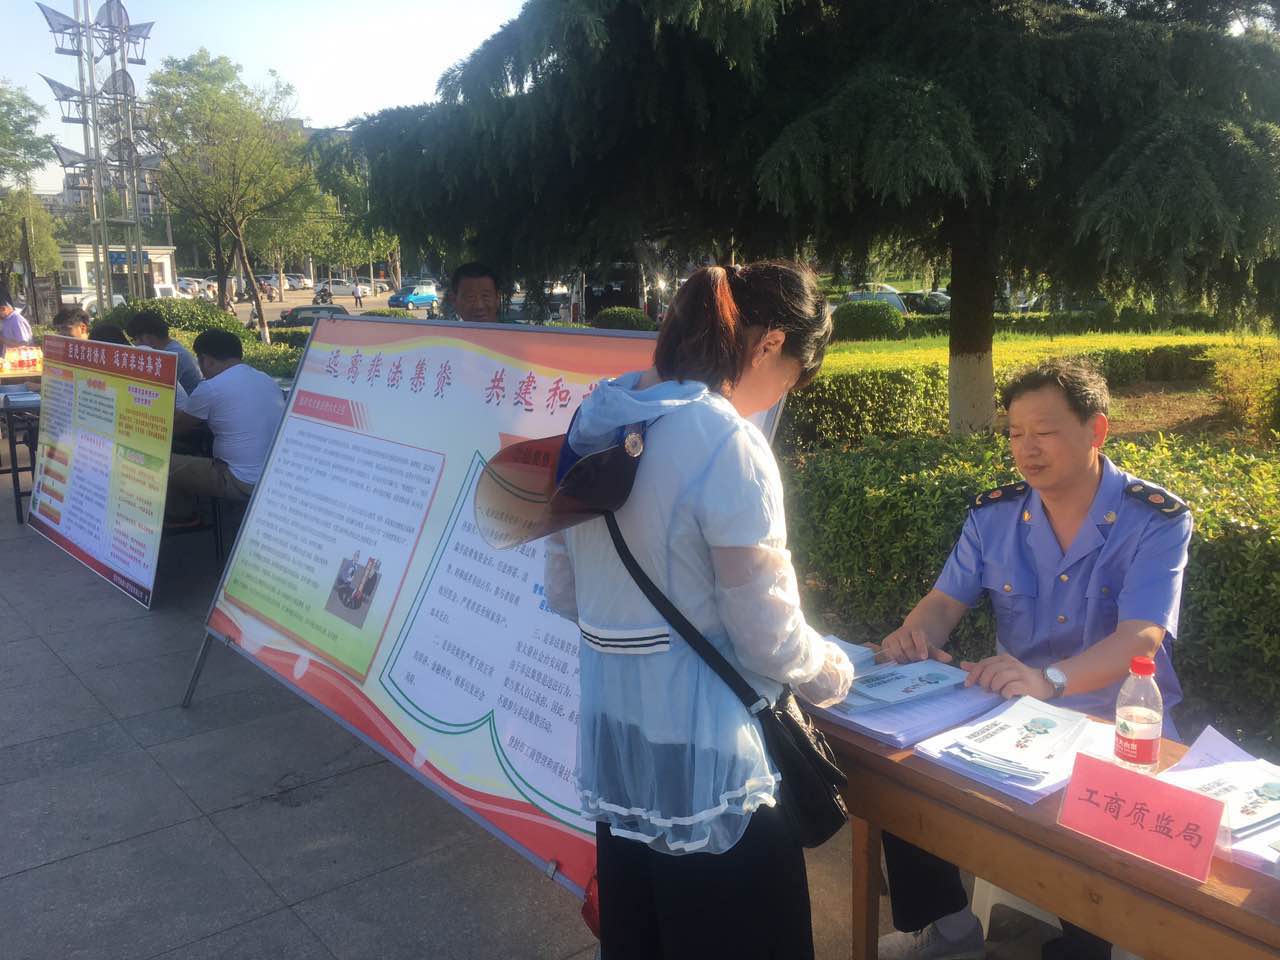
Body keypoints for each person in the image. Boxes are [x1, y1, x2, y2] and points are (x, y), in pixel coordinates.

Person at [542, 262, 857, 959]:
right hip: (715, 773)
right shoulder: (727, 441)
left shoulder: (592, 420)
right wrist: (834, 670)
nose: (785, 394)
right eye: (794, 379)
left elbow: (564, 590)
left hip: (625, 755)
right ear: (770, 345)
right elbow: (767, 634)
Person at [875, 359, 1192, 960]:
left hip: (1117, 724)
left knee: (1103, 857)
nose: (1026, 448)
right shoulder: (995, 515)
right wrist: (912, 635)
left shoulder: (1154, 519)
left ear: (1097, 430)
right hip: (1016, 714)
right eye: (1015, 433)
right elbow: (944, 602)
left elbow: (1141, 638)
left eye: (1043, 432)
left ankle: (1089, 947)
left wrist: (1050, 680)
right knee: (902, 777)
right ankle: (949, 929)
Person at [165, 329, 285, 524]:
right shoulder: (266, 379)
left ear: (207, 360)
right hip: (274, 477)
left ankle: (184, 517)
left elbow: (177, 428)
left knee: (161, 462)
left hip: (239, 480)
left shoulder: (211, 387)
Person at [124, 309, 203, 394]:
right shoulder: (173, 348)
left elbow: (153, 390)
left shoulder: (170, 358)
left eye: (134, 339)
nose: (134, 345)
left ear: (148, 338)